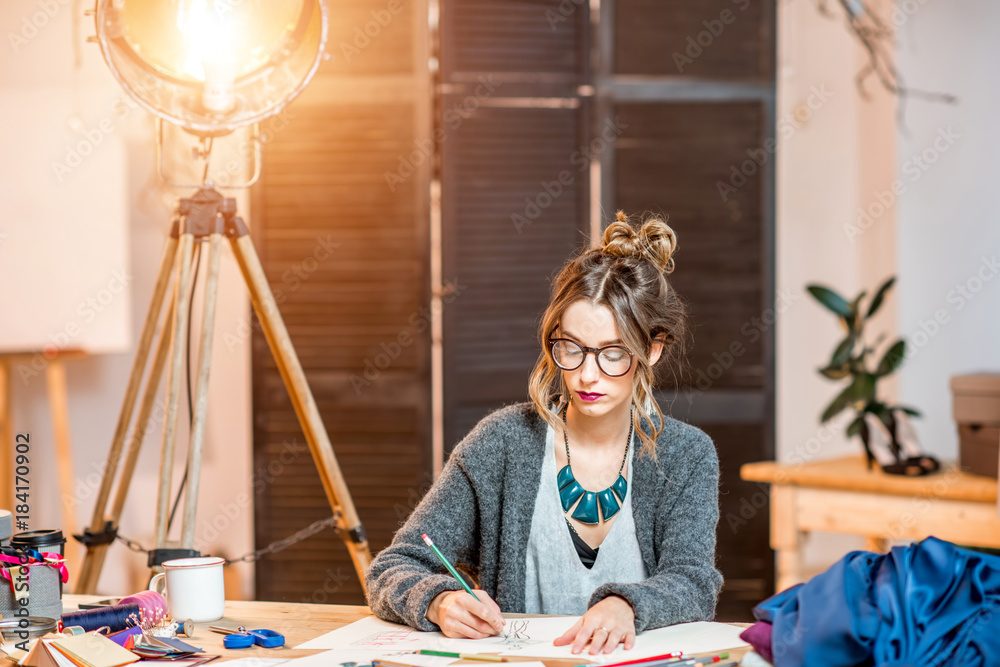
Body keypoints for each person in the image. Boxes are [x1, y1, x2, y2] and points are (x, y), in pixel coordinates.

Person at [365, 211, 723, 655]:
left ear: (652, 349)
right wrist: (439, 601)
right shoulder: (501, 443)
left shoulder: (687, 455)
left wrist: (629, 605)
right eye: (571, 348)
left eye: (613, 353)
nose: (587, 375)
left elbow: (694, 582)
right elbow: (392, 567)